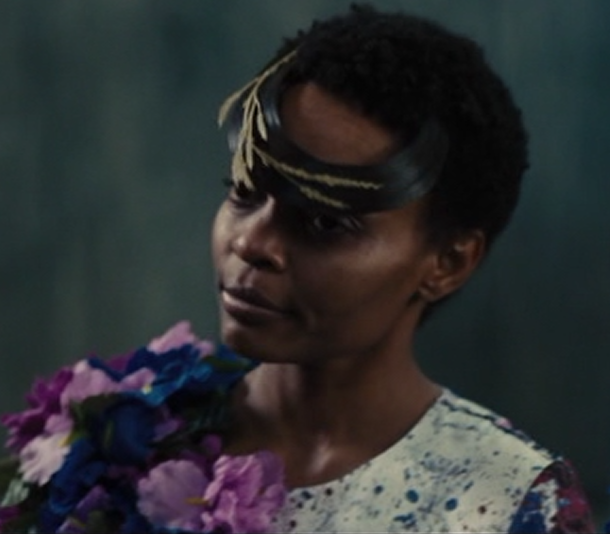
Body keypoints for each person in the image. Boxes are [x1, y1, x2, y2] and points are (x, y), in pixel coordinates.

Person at [212, 4, 595, 533]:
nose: (251, 242)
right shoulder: (132, 432)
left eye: (325, 223)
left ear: (447, 263)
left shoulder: (504, 503)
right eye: (243, 193)